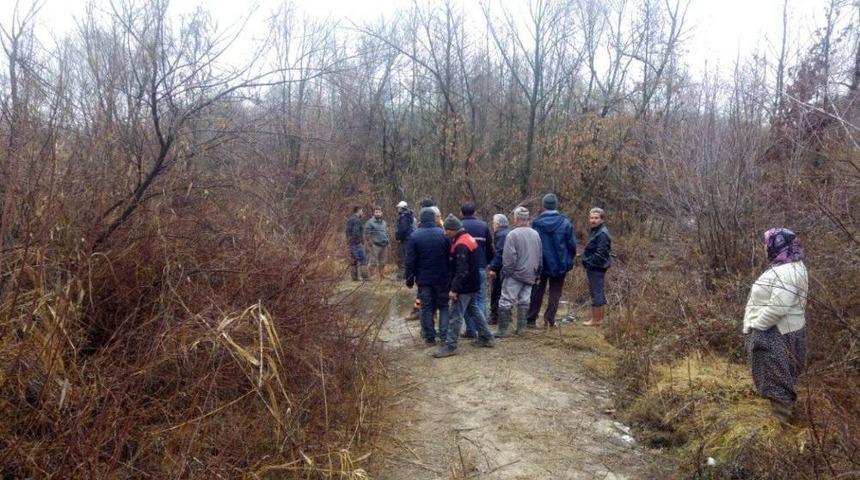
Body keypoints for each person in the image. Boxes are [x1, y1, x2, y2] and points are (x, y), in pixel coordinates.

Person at [743, 228, 808, 421]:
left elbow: (778, 308)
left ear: (777, 243)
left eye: (766, 243)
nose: (764, 247)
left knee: (776, 379)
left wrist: (756, 326)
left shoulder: (787, 272)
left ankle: (781, 428)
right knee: (781, 376)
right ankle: (783, 420)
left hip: (774, 334)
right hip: (785, 331)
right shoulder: (792, 265)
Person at [434, 214, 496, 358]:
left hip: (464, 286)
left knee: (455, 315)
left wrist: (454, 289)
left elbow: (462, 270)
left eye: (447, 230)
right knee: (474, 310)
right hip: (473, 283)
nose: (445, 233)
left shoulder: (461, 244)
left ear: (453, 229)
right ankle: (487, 337)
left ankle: (450, 346)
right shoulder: (467, 238)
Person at [527, 193, 576, 328]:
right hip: (559, 263)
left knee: (537, 290)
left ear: (544, 206)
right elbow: (571, 245)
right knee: (555, 292)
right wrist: (568, 259)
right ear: (556, 205)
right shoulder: (565, 223)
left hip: (540, 263)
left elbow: (532, 243)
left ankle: (531, 318)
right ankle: (549, 320)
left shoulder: (536, 223)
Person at [405, 207, 450, 344]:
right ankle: (444, 336)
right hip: (442, 278)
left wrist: (409, 278)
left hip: (424, 279)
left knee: (426, 307)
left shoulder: (414, 236)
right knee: (443, 306)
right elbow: (449, 257)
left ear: (421, 219)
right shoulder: (443, 234)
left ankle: (429, 337)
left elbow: (410, 260)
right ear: (433, 218)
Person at [496, 207, 542, 337]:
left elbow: (509, 257)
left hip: (515, 274)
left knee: (505, 300)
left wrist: (507, 273)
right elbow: (539, 256)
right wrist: (537, 273)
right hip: (530, 273)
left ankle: (502, 330)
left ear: (516, 218)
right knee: (524, 301)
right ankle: (521, 329)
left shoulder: (513, 234)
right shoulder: (535, 234)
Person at [460, 202, 494, 337]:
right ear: (475, 213)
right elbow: (490, 247)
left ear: (461, 213)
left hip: (462, 269)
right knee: (480, 299)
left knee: (466, 300)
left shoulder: (458, 226)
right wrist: (488, 262)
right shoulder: (483, 226)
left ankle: (470, 330)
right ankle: (482, 331)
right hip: (480, 266)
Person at [581, 208, 612, 327]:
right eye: (591, 218)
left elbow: (600, 253)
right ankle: (599, 319)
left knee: (596, 292)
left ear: (602, 219)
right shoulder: (596, 231)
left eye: (596, 218)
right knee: (597, 291)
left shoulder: (602, 233)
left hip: (597, 267)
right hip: (595, 266)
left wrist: (589, 262)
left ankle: (596, 320)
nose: (593, 220)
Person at [488, 214, 510, 325]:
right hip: (508, 268)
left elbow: (499, 253)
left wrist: (493, 267)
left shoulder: (501, 235)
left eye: (493, 223)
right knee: (505, 292)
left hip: (501, 268)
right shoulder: (508, 232)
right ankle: (506, 315)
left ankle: (495, 316)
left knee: (497, 292)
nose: (492, 225)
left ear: (497, 224)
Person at [364, 206, 390, 281]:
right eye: (376, 212)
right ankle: (369, 276)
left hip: (384, 245)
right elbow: (366, 233)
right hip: (375, 245)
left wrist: (387, 240)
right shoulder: (370, 222)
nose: (377, 213)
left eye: (379, 212)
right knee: (373, 262)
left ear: (381, 213)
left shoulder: (384, 222)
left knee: (383, 262)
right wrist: (370, 243)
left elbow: (386, 232)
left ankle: (381, 275)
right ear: (374, 213)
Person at [345, 206, 369, 281]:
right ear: (358, 211)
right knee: (363, 259)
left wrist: (349, 241)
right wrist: (360, 241)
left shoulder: (350, 219)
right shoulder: (357, 220)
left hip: (351, 243)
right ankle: (365, 277)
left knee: (353, 260)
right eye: (362, 211)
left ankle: (354, 278)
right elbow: (356, 232)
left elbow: (347, 231)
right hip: (357, 243)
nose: (362, 212)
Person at [395, 201, 417, 280]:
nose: (397, 209)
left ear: (402, 208)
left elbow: (403, 229)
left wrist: (399, 238)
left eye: (399, 208)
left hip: (404, 240)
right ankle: (407, 275)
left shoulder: (404, 216)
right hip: (409, 239)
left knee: (401, 257)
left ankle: (401, 276)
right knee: (407, 257)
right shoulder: (410, 215)